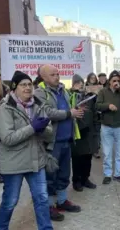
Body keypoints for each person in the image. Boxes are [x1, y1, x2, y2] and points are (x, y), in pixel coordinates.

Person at [0, 71, 54, 230]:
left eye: (29, 84)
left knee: (42, 199)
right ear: (14, 88)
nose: (28, 88)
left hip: (36, 161)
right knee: (10, 201)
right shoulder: (5, 109)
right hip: (14, 164)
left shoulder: (38, 105)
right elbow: (7, 139)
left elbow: (49, 134)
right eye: (23, 85)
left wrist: (42, 130)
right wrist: (33, 128)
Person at [34, 65, 84, 221]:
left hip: (66, 140)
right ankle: (48, 207)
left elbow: (68, 109)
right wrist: (70, 113)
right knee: (50, 176)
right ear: (44, 77)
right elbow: (47, 112)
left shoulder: (63, 90)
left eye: (58, 73)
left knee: (63, 174)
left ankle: (62, 201)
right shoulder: (39, 93)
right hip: (51, 142)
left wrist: (76, 111)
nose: (57, 76)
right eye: (53, 74)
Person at [96, 70, 120, 184]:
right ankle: (107, 174)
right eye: (114, 81)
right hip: (106, 127)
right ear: (109, 81)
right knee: (107, 153)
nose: (116, 82)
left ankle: (117, 174)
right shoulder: (103, 91)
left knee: (119, 153)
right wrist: (108, 106)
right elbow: (97, 105)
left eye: (118, 80)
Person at [68, 75, 98, 192]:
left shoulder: (89, 96)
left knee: (88, 157)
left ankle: (86, 179)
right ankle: (76, 181)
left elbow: (95, 111)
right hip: (77, 130)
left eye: (81, 82)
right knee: (77, 158)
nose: (80, 85)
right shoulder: (69, 95)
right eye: (77, 83)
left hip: (89, 130)